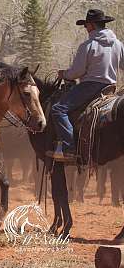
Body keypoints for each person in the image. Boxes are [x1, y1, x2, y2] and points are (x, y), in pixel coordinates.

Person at [48, 9, 123, 162]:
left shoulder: (88, 45)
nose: (85, 28)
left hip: (90, 86)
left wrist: (64, 74)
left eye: (86, 25)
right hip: (109, 88)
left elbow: (77, 71)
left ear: (92, 25)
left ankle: (69, 149)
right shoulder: (118, 44)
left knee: (58, 109)